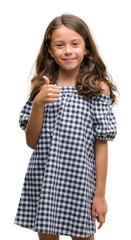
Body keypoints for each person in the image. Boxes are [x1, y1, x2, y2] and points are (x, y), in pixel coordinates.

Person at [14, 14, 117, 240]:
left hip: (80, 182)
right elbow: (32, 142)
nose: (68, 51)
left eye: (75, 44)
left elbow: (101, 145)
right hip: (44, 178)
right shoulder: (42, 86)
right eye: (59, 45)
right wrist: (39, 103)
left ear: (86, 48)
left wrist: (100, 194)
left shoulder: (97, 89)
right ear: (50, 50)